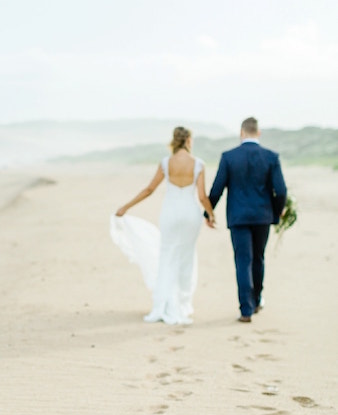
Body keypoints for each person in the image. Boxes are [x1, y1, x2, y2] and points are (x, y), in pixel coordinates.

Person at [112, 126, 215, 324]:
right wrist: (210, 214)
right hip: (190, 214)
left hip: (170, 213)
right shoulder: (198, 164)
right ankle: (183, 304)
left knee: (167, 256)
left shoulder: (166, 163)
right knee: (186, 256)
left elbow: (150, 189)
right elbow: (202, 196)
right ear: (188, 141)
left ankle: (164, 304)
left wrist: (125, 207)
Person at [207, 116, 287, 323]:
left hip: (238, 216)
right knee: (258, 258)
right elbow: (281, 190)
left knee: (243, 261)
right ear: (258, 133)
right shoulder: (271, 156)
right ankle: (257, 299)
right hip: (262, 217)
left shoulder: (229, 157)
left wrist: (209, 212)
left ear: (241, 133)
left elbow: (217, 188)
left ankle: (246, 310)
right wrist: (277, 212)